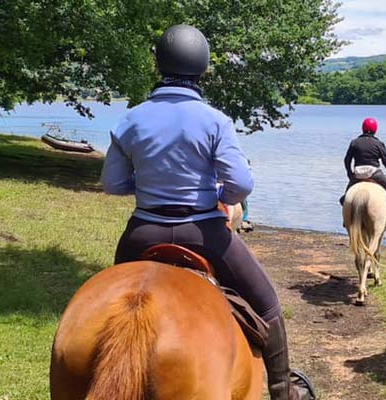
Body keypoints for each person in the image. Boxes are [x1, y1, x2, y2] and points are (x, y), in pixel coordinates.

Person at [101, 24, 315, 400]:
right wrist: (218, 192)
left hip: (143, 232)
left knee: (109, 303)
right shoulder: (215, 120)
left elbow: (114, 184)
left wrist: (149, 186)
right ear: (202, 69)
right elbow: (241, 185)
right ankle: (283, 391)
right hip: (204, 234)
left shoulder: (130, 120)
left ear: (159, 66)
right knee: (267, 303)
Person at [340, 117, 386, 228]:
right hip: (374, 173)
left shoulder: (354, 142)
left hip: (358, 174)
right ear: (375, 129)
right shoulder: (378, 143)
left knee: (345, 198)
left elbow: (347, 160)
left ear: (363, 129)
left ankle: (346, 220)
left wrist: (350, 174)